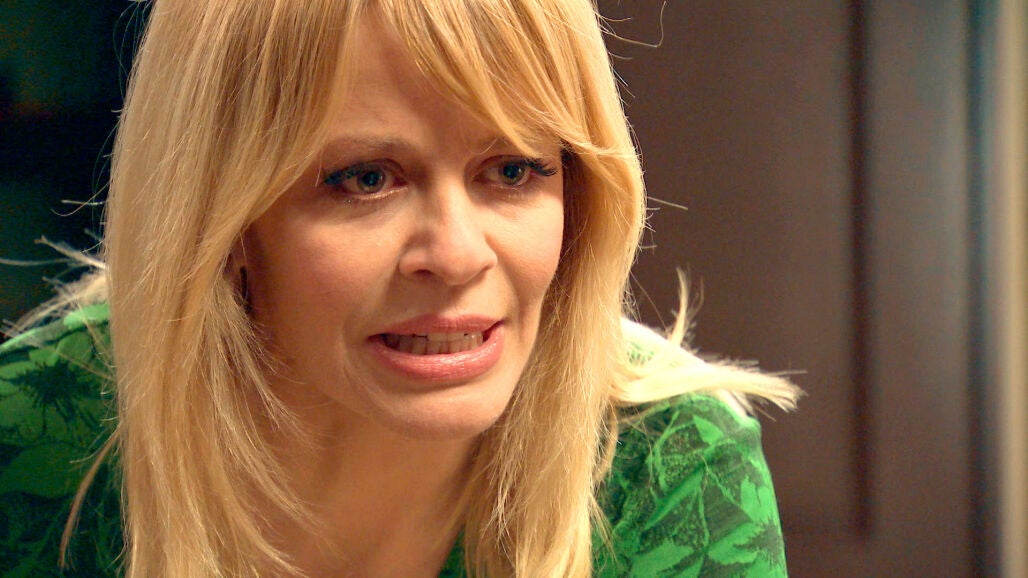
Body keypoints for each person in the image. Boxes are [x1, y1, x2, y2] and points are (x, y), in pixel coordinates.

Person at [0, 0, 801, 576]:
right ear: (226, 222)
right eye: (366, 179)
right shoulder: (27, 440)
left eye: (512, 170)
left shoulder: (671, 470)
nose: (455, 256)